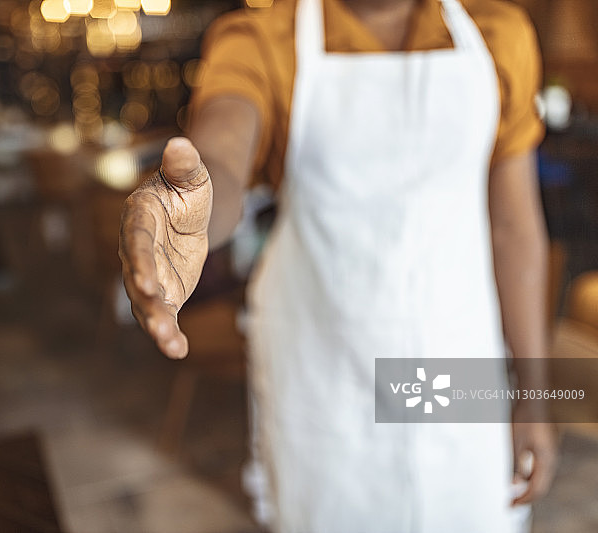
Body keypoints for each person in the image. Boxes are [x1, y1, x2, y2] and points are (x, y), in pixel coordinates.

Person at [119, 0, 558, 530]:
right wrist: (187, 206)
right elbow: (222, 153)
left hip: (457, 368)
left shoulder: (498, 34)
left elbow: (514, 229)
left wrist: (534, 392)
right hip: (325, 376)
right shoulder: (262, 39)